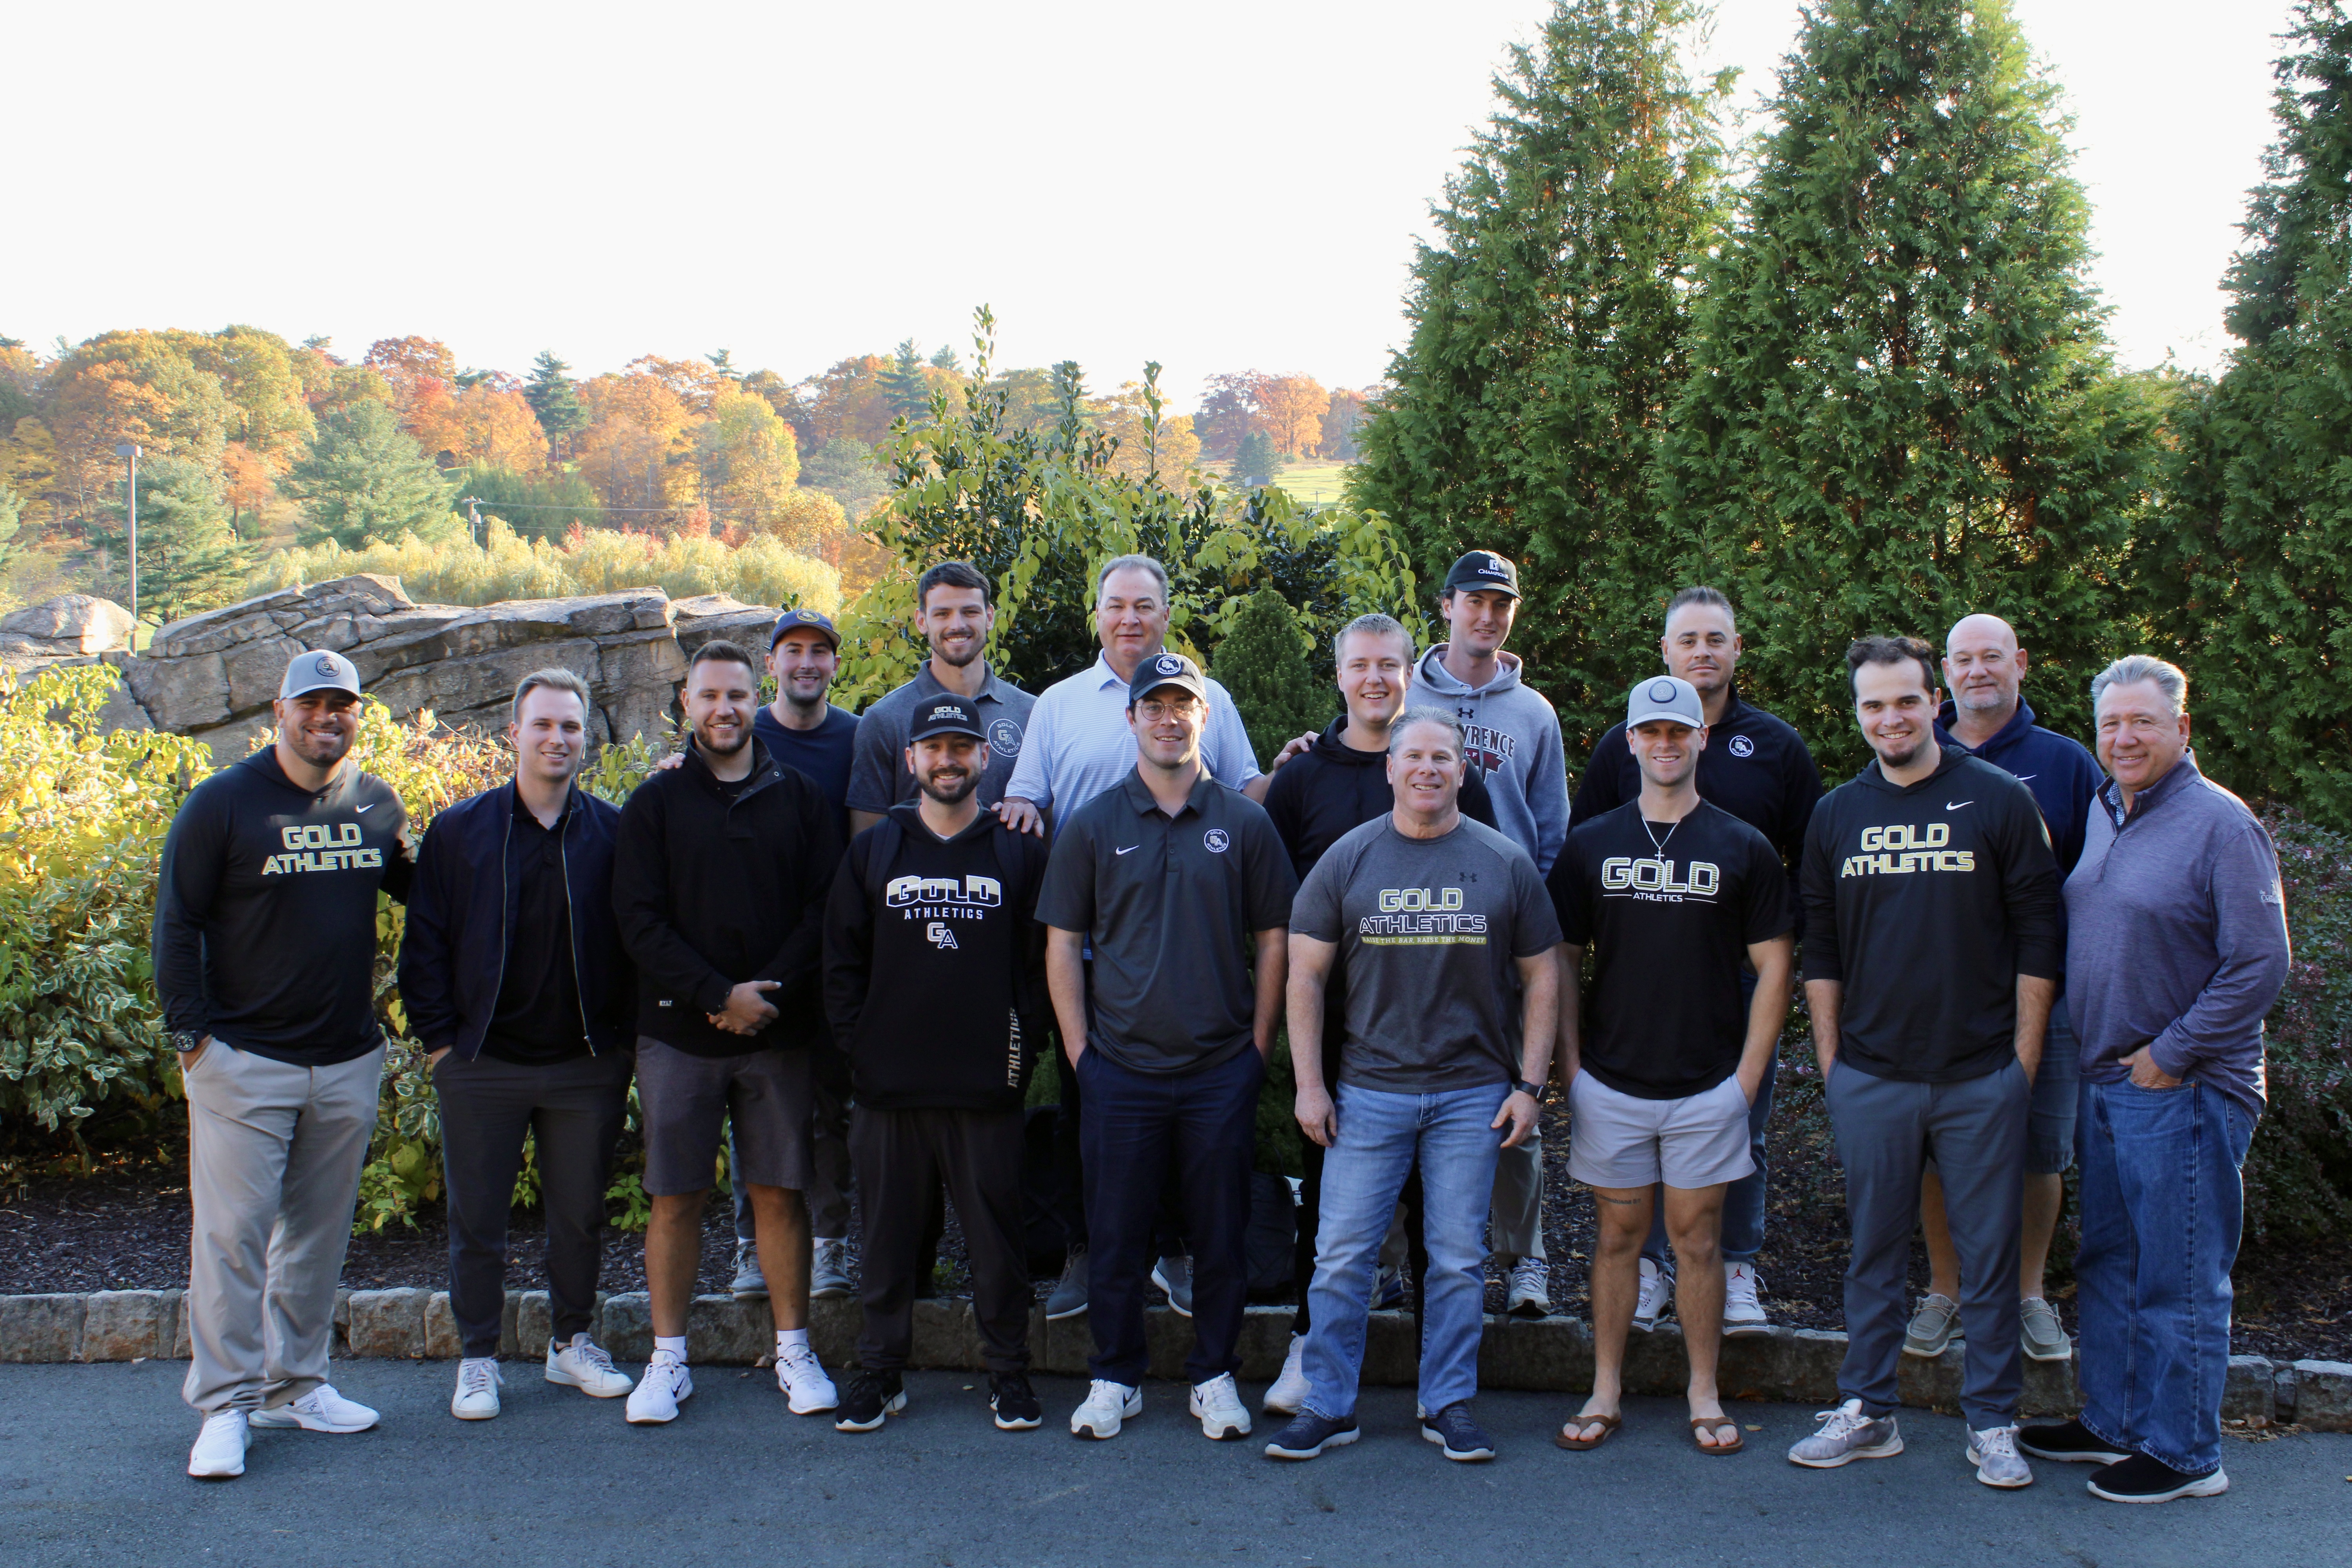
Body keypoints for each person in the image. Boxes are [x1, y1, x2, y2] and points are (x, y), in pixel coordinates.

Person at [1788, 636, 2060, 1490]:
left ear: (1934, 699)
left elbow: (2040, 935)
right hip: (1873, 1072)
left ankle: (1994, 1422)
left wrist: (2021, 1060)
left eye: (1905, 700)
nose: (1890, 717)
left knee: (1988, 1258)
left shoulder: (2001, 799)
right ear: (1858, 712)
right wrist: (1834, 1061)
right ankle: (1868, 1411)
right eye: (1874, 704)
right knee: (1873, 1251)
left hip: (1982, 1072)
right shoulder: (1836, 812)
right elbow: (1821, 947)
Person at [2019, 657, 2289, 1504]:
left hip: (2184, 1086)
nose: (2124, 737)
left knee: (2176, 1269)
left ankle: (2185, 1452)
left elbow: (2260, 962)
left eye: (2142, 721)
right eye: (2111, 724)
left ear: (2182, 729)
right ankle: (2114, 1421)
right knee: (2110, 1259)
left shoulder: (2220, 824)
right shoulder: (2108, 809)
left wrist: (2172, 1051)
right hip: (2108, 1079)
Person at [1265, 708, 1559, 1464]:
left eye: (1442, 757)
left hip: (1472, 1095)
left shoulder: (1503, 862)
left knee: (1457, 1258)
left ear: (1462, 771)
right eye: (1414, 757)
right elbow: (1304, 976)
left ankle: (1447, 1402)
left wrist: (1530, 1084)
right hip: (1369, 1091)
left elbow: (1544, 977)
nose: (1428, 768)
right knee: (1340, 1257)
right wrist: (1309, 1085)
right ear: (1390, 769)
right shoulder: (1347, 859)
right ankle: (1330, 1407)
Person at [157, 649, 414, 1480]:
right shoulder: (223, 803)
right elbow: (177, 921)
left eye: (342, 705)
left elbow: (431, 886)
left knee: (315, 1236)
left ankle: (296, 1385)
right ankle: (225, 1406)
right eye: (312, 704)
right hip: (244, 1059)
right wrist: (193, 1038)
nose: (326, 717)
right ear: (280, 710)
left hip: (344, 1058)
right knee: (232, 1239)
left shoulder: (375, 803)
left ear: (356, 716)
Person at [1002, 555, 1270, 1323]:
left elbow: (1246, 790)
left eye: (1144, 605)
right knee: (1095, 1114)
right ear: (1097, 614)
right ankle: (1091, 1248)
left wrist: (1302, 769)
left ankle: (1177, 1249)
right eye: (1117, 605)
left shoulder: (1204, 696)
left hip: (1190, 958)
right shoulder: (1057, 705)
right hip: (1087, 955)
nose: (1130, 618)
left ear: (1164, 611)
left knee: (1193, 1111)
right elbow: (1027, 799)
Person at [1036, 652, 1296, 1441]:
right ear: (1132, 719)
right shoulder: (1094, 823)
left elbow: (1275, 936)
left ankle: (1213, 1375)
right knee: (1115, 1234)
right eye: (1154, 705)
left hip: (1220, 1069)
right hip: (1121, 1070)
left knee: (1219, 1237)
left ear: (1204, 716)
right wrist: (1082, 1053)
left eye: (1182, 704)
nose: (1168, 717)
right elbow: (1062, 943)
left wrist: (1257, 1045)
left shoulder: (1244, 821)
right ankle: (1115, 1375)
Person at [1258, 613, 1499, 1415]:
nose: (1374, 678)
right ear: (1338, 676)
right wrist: (1301, 1066)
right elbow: (1271, 902)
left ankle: (1444, 1378)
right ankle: (1307, 1346)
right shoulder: (1301, 777)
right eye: (1359, 665)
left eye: (1389, 665)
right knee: (1330, 1211)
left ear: (1409, 674)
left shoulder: (1444, 770)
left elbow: (1493, 892)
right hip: (1339, 1033)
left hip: (1444, 1032)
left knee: (1444, 1223)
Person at [1551, 677, 1793, 1456]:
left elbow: (1776, 968)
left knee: (1698, 1236)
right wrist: (1571, 1068)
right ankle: (1607, 1387)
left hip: (1707, 1081)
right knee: (1619, 1233)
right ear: (1629, 742)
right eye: (1650, 731)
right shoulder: (1592, 843)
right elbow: (1558, 960)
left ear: (1701, 741)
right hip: (1614, 1079)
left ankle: (1704, 1390)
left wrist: (1746, 1081)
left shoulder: (1742, 845)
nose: (1665, 743)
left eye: (1679, 731)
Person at [1571, 585, 1821, 1335]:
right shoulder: (1622, 745)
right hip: (1640, 970)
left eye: (1717, 638)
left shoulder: (1776, 746)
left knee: (1740, 1120)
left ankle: (1736, 1267)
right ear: (1667, 651)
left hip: (1741, 969)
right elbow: (1586, 856)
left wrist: (1782, 943)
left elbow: (1811, 858)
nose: (1703, 651)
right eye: (1689, 639)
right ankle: (1645, 1269)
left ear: (1737, 649)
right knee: (1640, 1115)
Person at [611, 639, 844, 1425]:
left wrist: (761, 996)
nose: (724, 709)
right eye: (709, 695)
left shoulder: (803, 797)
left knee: (780, 1192)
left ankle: (794, 1348)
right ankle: (667, 1360)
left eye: (738, 695)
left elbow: (824, 909)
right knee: (674, 1196)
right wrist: (717, 994)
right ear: (687, 702)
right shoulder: (655, 803)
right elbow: (638, 920)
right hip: (680, 1034)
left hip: (776, 1032)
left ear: (758, 697)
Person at [397, 669, 639, 1421]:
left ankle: (571, 1344)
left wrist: (621, 1047)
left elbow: (639, 940)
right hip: (481, 1063)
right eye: (543, 725)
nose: (557, 738)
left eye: (570, 726)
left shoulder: (612, 832)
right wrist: (442, 1046)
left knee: (578, 1215)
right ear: (515, 734)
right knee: (478, 1219)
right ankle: (476, 1358)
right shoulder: (460, 831)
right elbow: (425, 944)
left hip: (583, 1064)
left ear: (585, 738)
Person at [823, 695, 1053, 1434]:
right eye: (935, 748)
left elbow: (1040, 966)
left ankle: (1009, 1376)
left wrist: (1023, 1052)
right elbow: (841, 965)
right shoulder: (875, 850)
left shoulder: (1016, 848)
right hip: (890, 1092)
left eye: (963, 747)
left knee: (997, 1243)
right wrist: (860, 1051)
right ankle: (879, 1372)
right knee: (887, 1240)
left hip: (986, 1089)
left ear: (985, 759)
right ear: (910, 760)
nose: (948, 759)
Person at [1906, 614, 2105, 1367]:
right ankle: (1946, 1291)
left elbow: (2094, 881)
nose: (1979, 671)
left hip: (2040, 997)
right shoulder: (1920, 752)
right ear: (1945, 675)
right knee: (1933, 1153)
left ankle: (2027, 1294)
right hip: (1938, 998)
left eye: (1993, 657)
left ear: (2020, 663)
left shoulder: (2066, 763)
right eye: (1964, 659)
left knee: (2039, 1152)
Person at [1410, 549, 1568, 1316]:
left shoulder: (1534, 713)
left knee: (1515, 1102)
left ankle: (1526, 1258)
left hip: (1500, 935)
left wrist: (1529, 929)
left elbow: (1550, 833)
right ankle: (1392, 1255)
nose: (1488, 614)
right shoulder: (1402, 695)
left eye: (1501, 603)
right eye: (1474, 600)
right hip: (1410, 927)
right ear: (1446, 606)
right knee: (1397, 1093)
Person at [729, 608, 860, 1305]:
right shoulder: (746, 735)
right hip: (753, 956)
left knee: (828, 1109)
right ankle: (752, 1246)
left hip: (832, 955)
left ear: (835, 664)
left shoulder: (857, 739)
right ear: (771, 663)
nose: (807, 662)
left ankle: (831, 1246)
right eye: (793, 651)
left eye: (820, 651)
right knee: (753, 1106)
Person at [846, 560, 1036, 835]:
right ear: (922, 621)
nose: (957, 625)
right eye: (942, 614)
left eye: (970, 612)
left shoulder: (1031, 713)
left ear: (990, 617)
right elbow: (867, 845)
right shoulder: (884, 719)